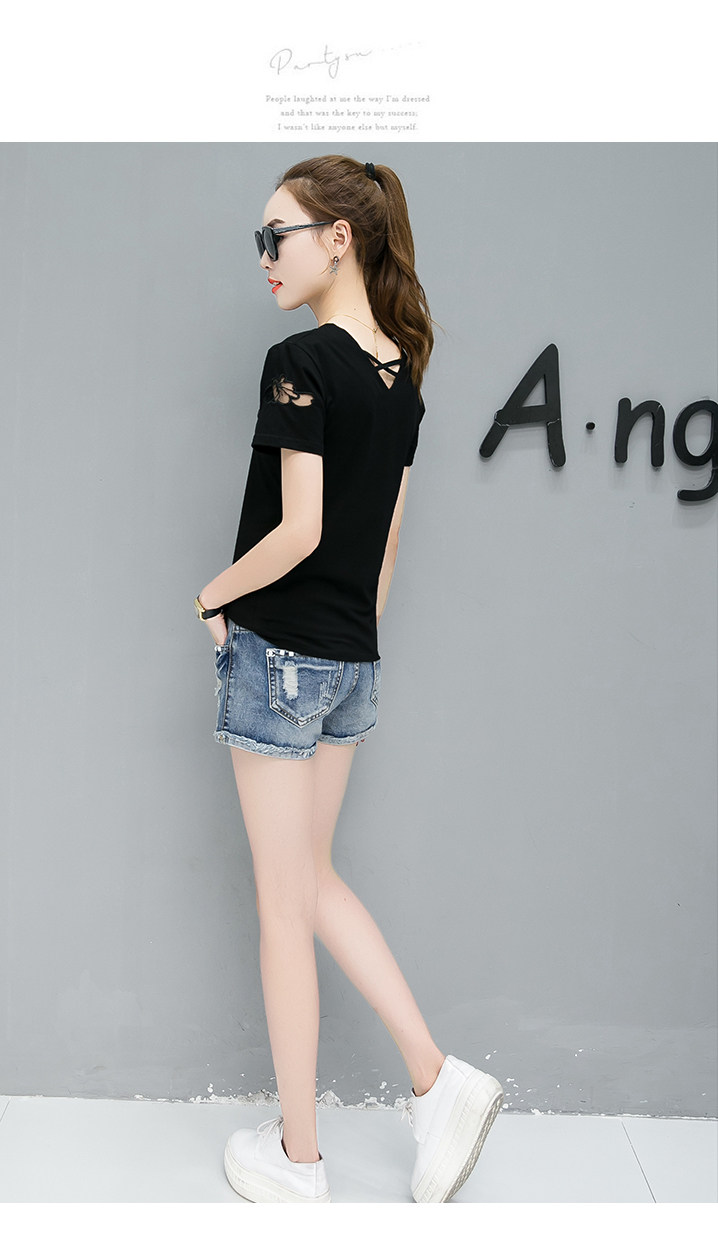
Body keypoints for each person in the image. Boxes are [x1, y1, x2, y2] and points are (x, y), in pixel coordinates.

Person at [195, 155, 503, 1203]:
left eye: (275, 235)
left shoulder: (300, 361)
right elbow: (383, 550)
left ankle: (299, 1160)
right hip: (349, 662)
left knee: (285, 907)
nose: (264, 257)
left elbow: (303, 531)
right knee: (314, 881)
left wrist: (211, 595)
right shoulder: (399, 378)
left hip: (277, 652)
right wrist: (348, 646)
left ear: (338, 239)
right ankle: (435, 1078)